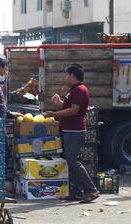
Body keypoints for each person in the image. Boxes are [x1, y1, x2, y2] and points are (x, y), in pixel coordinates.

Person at [43, 64, 100, 203]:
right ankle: (77, 192)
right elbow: (68, 108)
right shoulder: (73, 90)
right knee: (71, 161)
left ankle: (91, 190)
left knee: (73, 161)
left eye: (67, 74)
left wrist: (54, 113)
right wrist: (59, 103)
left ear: (73, 75)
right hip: (69, 130)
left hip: (75, 131)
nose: (65, 77)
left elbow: (74, 111)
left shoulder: (80, 90)